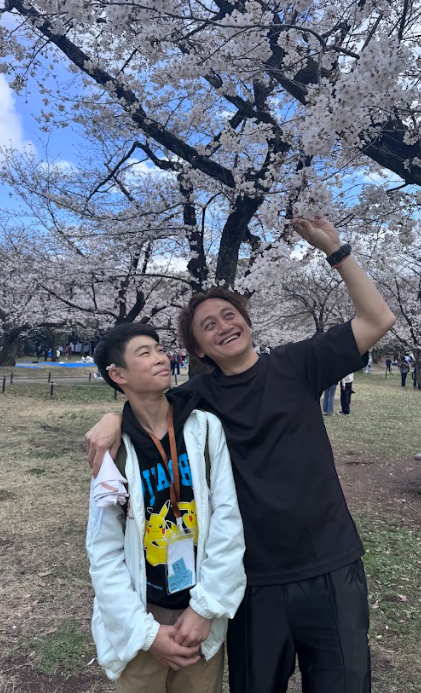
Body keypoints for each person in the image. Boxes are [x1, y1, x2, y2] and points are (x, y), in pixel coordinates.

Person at [85, 216, 395, 693]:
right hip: (251, 581)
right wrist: (111, 418)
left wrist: (337, 252)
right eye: (208, 325)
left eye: (230, 316)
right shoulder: (196, 400)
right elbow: (145, 407)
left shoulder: (297, 364)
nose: (224, 326)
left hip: (330, 562)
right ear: (199, 348)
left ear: (247, 322)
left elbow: (378, 321)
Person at [87, 323, 246, 692]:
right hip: (143, 615)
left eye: (159, 349)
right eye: (145, 353)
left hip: (198, 615)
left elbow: (227, 521)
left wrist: (204, 609)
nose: (161, 357)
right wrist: (145, 633)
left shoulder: (204, 429)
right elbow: (103, 549)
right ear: (118, 375)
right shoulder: (114, 448)